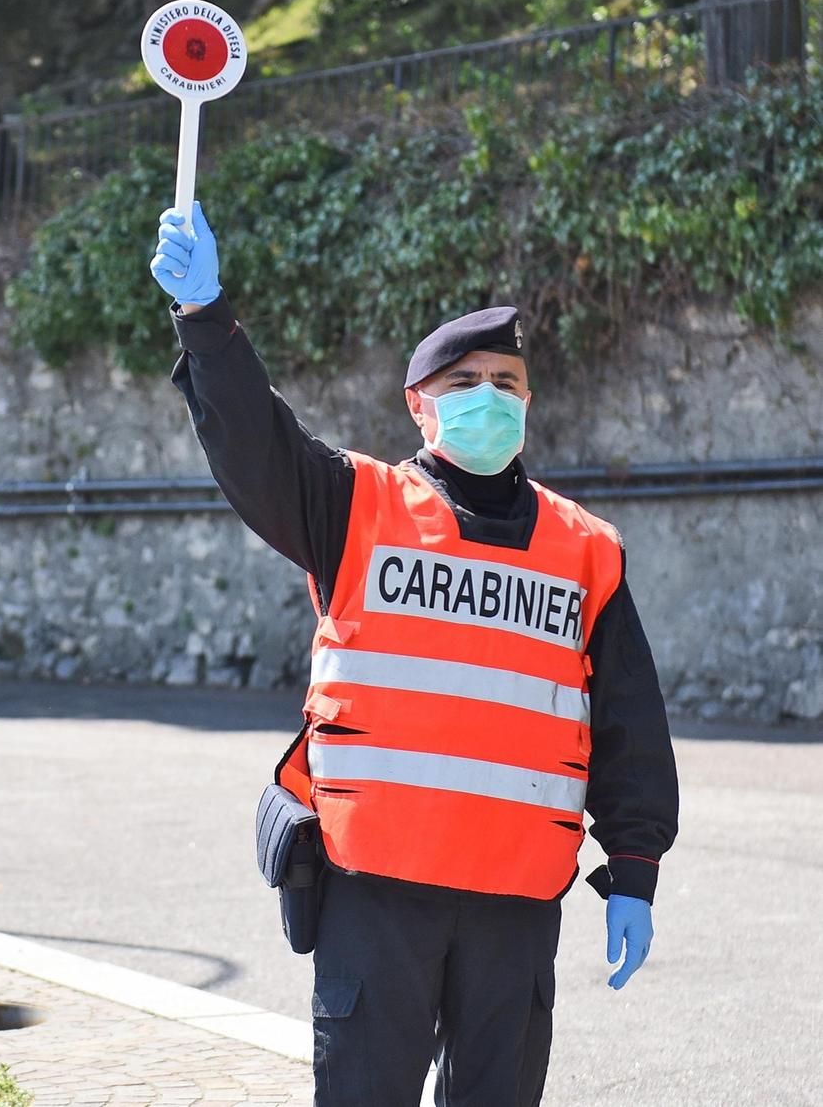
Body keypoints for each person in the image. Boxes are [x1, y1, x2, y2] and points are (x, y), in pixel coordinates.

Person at [151, 201, 679, 1107]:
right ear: (419, 403)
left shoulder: (586, 548)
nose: (490, 396)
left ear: (529, 400)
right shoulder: (356, 505)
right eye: (466, 379)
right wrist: (207, 322)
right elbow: (257, 445)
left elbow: (628, 717)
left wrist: (634, 866)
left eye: (508, 380)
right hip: (377, 890)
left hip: (516, 902)